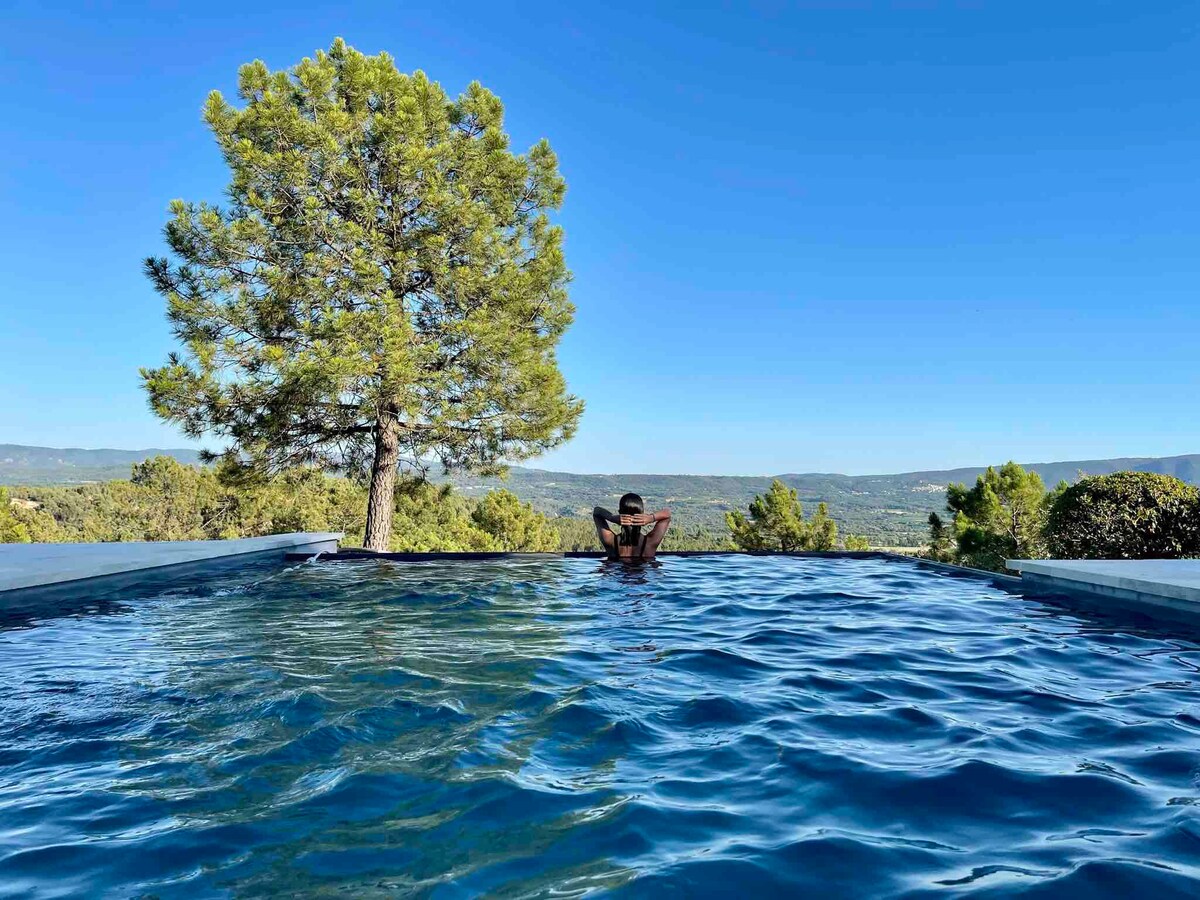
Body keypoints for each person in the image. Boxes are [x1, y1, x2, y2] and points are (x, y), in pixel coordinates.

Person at [592, 493, 671, 562]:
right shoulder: (650, 542)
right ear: (642, 514)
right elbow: (667, 515)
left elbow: (596, 512)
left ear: (620, 513)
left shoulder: (610, 540)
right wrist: (651, 518)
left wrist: (612, 518)